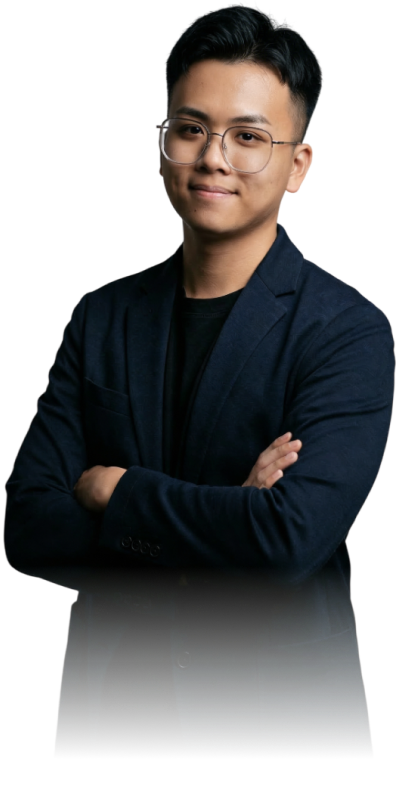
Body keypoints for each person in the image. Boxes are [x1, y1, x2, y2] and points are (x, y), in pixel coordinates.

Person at [6, 5, 393, 753]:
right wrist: (216, 538)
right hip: (111, 717)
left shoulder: (346, 331)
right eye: (191, 129)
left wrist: (116, 492)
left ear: (299, 166)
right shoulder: (101, 316)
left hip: (273, 727)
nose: (213, 158)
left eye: (248, 137)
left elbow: (285, 542)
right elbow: (29, 524)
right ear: (162, 146)